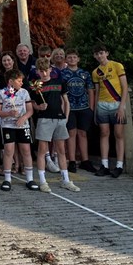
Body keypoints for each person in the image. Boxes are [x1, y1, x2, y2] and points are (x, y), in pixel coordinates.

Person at [29, 57, 79, 192]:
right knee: (42, 150)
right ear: (38, 72)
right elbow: (32, 103)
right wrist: (39, 107)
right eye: (41, 71)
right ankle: (43, 181)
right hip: (44, 119)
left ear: (51, 70)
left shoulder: (59, 82)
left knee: (61, 150)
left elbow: (66, 101)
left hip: (59, 119)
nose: (44, 73)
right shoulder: (35, 86)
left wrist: (66, 117)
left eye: (46, 70)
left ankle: (66, 180)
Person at [0, 69, 37, 192]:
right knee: (8, 150)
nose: (22, 83)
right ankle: (7, 179)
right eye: (19, 81)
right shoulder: (2, 93)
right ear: (11, 81)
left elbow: (30, 110)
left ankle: (30, 178)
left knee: (26, 150)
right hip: (8, 125)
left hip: (22, 126)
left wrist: (23, 118)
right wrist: (8, 113)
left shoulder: (24, 93)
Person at [91, 44, 128, 178]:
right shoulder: (95, 72)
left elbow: (124, 87)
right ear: (94, 56)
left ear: (106, 53)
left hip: (117, 103)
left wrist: (121, 107)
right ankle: (104, 165)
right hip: (102, 104)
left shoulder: (117, 66)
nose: (99, 56)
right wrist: (95, 110)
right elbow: (97, 91)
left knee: (118, 134)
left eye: (101, 53)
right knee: (104, 133)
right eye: (97, 54)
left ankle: (119, 165)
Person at [63, 48, 96, 173]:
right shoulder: (63, 74)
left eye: (74, 57)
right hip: (70, 108)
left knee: (83, 134)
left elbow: (90, 91)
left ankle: (85, 160)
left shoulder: (85, 74)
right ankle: (72, 161)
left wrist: (91, 108)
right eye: (69, 57)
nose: (72, 59)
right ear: (66, 59)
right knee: (71, 133)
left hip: (84, 107)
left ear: (78, 59)